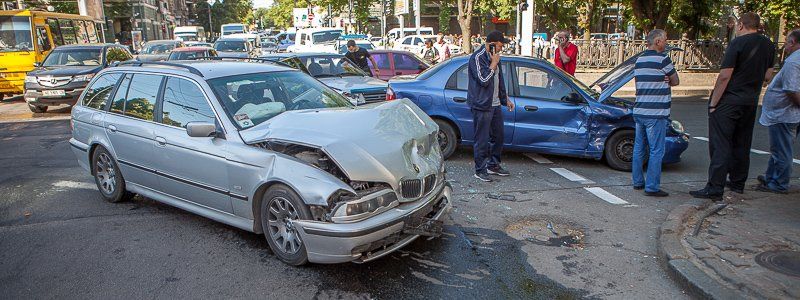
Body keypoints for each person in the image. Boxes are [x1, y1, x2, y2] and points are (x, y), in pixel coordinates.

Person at [690, 12, 776, 200]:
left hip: (729, 100)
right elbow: (768, 76)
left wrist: (713, 103)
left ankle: (715, 187)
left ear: (741, 25)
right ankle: (738, 183)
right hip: (750, 100)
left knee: (720, 144)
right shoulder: (769, 45)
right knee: (742, 142)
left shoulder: (737, 43)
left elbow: (725, 76)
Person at [631, 29, 680, 197]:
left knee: (639, 147)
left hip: (639, 110)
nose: (666, 43)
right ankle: (652, 186)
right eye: (665, 40)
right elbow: (676, 81)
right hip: (655, 112)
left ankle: (637, 181)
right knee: (656, 150)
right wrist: (664, 79)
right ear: (657, 41)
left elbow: (639, 84)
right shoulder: (663, 59)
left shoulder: (639, 60)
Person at [467, 31, 515, 182]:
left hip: (495, 103)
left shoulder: (495, 57)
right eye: (500, 45)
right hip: (482, 104)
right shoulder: (477, 58)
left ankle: (493, 164)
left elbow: (498, 80)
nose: (501, 49)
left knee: (498, 136)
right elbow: (484, 80)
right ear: (492, 44)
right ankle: (480, 169)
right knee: (482, 138)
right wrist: (493, 64)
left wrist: (505, 98)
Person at [756, 29, 800, 194]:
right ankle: (771, 177)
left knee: (781, 149)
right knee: (779, 148)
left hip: (784, 113)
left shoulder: (794, 62)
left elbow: (791, 89)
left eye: (788, 42)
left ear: (793, 42)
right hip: (786, 113)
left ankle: (779, 183)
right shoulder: (795, 60)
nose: (785, 46)